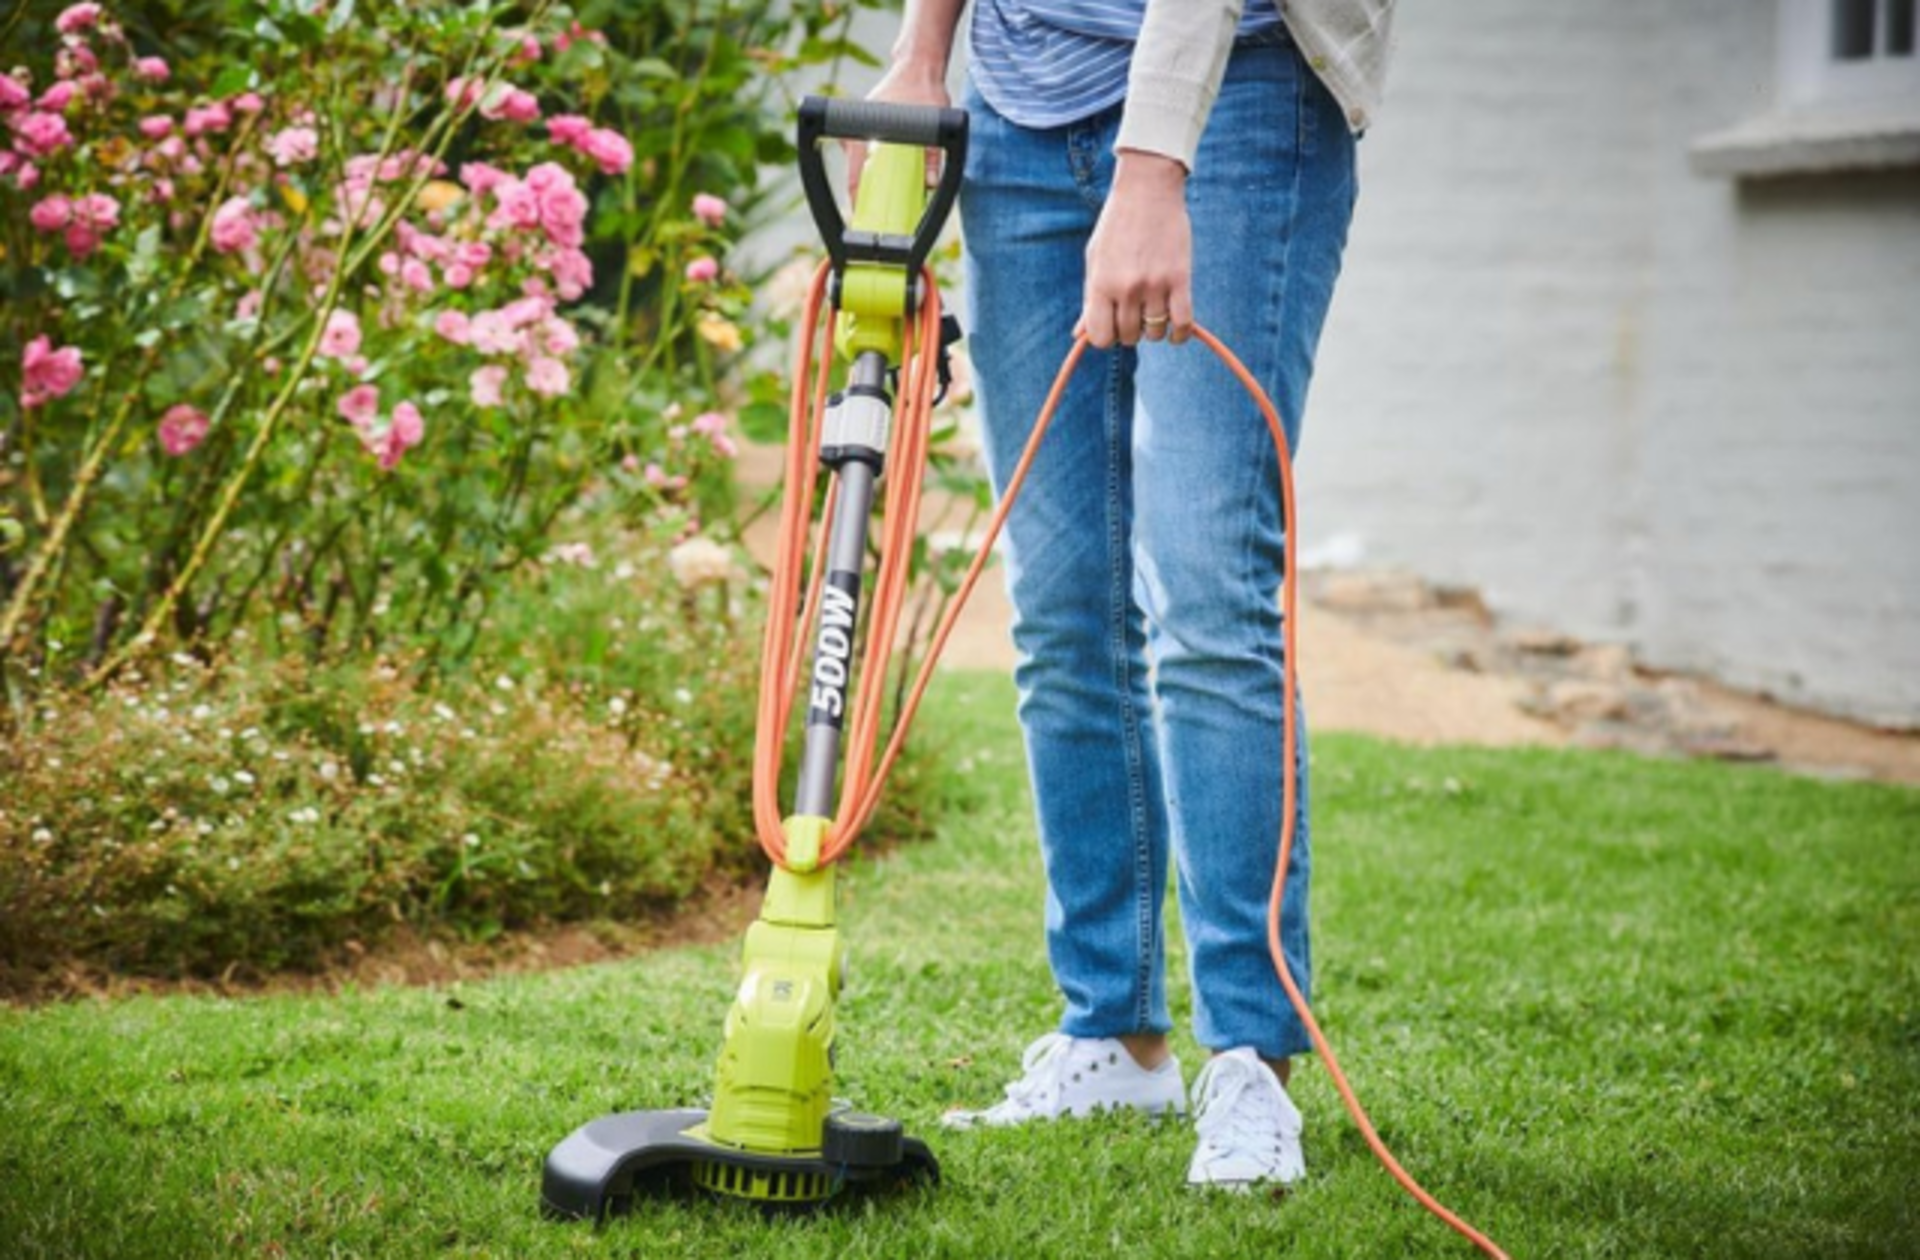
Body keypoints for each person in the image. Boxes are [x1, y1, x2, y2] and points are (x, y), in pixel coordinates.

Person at [864, 0, 1393, 1187]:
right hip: (1019, 102)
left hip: (1240, 94)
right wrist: (921, 49)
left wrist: (1154, 167)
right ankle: (1114, 1030)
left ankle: (1251, 1058)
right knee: (1060, 604)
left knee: (1207, 594)